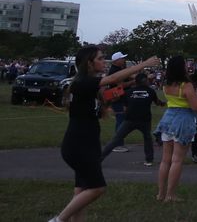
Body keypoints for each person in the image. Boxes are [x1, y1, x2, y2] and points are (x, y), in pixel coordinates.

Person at [51, 47, 159, 222]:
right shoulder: (83, 82)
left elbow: (109, 94)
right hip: (79, 145)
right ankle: (59, 220)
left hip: (86, 143)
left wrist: (124, 91)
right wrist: (144, 64)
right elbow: (114, 79)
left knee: (81, 190)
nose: (104, 61)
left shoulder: (87, 83)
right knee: (97, 188)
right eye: (100, 59)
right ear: (89, 62)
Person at [155, 55, 197, 202]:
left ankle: (161, 193)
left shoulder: (166, 84)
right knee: (177, 160)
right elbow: (196, 107)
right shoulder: (186, 85)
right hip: (183, 120)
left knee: (165, 160)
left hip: (168, 119)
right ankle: (170, 194)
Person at [101, 71, 165, 166]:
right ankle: (149, 160)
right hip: (144, 120)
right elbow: (157, 102)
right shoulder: (150, 91)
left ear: (136, 82)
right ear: (145, 81)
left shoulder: (128, 92)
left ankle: (99, 159)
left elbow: (121, 104)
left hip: (129, 120)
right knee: (147, 139)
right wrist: (164, 103)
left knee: (116, 139)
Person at [105, 51, 130, 152]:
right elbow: (120, 86)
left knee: (121, 120)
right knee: (121, 121)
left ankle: (119, 143)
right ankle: (118, 144)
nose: (124, 60)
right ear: (117, 60)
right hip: (117, 98)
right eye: (122, 58)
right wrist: (133, 82)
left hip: (119, 98)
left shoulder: (118, 69)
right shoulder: (115, 71)